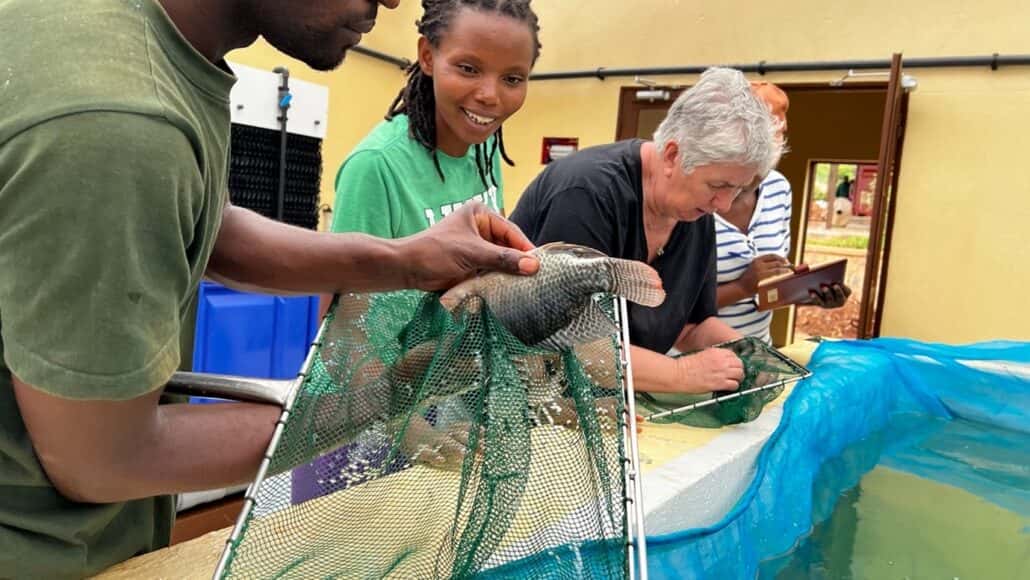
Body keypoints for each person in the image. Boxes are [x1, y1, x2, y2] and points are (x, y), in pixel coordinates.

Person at [0, 1, 540, 577]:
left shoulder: (110, 36)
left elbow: (205, 223)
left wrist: (406, 261)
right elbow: (101, 458)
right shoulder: (122, 123)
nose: (391, 1)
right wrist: (395, 393)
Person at [510, 67, 783, 395]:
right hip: (519, 395)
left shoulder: (695, 212)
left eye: (737, 189)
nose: (724, 205)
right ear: (672, 155)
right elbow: (567, 343)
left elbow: (690, 326)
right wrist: (679, 374)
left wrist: (750, 356)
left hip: (605, 399)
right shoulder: (587, 193)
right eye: (718, 185)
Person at [330, 0, 540, 240]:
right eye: (468, 69)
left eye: (512, 79)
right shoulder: (375, 166)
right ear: (428, 57)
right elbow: (348, 276)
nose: (490, 96)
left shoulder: (484, 145)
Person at [714, 82, 851, 343]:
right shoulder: (692, 195)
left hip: (755, 355)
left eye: (780, 137)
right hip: (686, 364)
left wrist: (805, 291)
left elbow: (765, 290)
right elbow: (664, 306)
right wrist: (740, 287)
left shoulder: (777, 188)